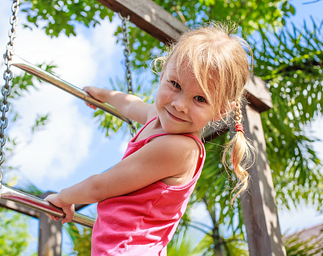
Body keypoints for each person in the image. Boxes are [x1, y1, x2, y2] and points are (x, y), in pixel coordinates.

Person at [45, 22, 254, 255]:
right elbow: (132, 104)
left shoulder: (179, 148)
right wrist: (104, 95)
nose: (179, 104)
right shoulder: (159, 117)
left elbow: (100, 186)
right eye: (175, 85)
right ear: (163, 72)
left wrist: (63, 197)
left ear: (221, 110)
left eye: (200, 99)